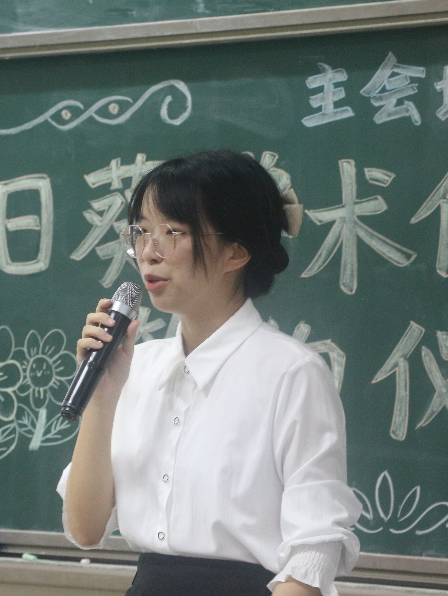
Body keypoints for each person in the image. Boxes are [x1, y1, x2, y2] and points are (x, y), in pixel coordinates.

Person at [57, 149, 360, 595]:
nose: (149, 253)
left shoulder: (291, 373)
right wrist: (102, 396)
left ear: (236, 252)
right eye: (141, 232)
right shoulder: (136, 368)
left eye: (172, 232)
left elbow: (314, 551)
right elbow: (85, 529)